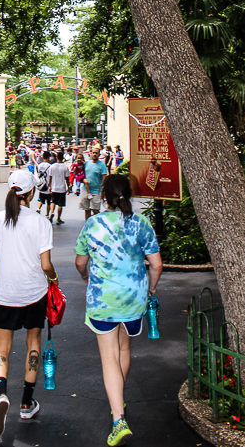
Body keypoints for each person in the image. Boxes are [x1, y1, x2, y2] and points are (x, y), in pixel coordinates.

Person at [75, 174, 163, 446]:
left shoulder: (93, 224)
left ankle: (118, 419)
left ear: (104, 196)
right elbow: (157, 264)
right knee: (124, 350)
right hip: (134, 299)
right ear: (129, 194)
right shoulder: (141, 223)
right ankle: (119, 397)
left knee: (108, 358)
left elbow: (80, 262)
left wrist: (85, 276)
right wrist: (151, 288)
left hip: (104, 300)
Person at [0, 168, 58, 438]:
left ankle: (1, 394)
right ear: (32, 192)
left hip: (6, 291)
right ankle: (27, 403)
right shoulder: (40, 222)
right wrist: (54, 278)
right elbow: (46, 265)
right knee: (33, 343)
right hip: (34, 292)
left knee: (1, 348)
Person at [81, 145, 108, 220]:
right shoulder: (87, 163)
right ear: (91, 154)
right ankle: (88, 225)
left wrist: (103, 191)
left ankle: (98, 224)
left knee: (95, 210)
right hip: (86, 190)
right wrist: (82, 180)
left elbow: (104, 179)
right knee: (87, 209)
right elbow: (80, 174)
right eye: (93, 153)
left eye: (96, 153)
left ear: (99, 154)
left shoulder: (102, 165)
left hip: (96, 191)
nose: (94, 154)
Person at [47, 151, 70, 224]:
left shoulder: (52, 166)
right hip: (62, 188)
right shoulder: (65, 167)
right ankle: (58, 218)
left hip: (54, 187)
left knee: (53, 201)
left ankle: (52, 212)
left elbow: (50, 177)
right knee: (60, 204)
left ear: (56, 158)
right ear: (63, 158)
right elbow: (67, 178)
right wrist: (68, 186)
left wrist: (49, 186)